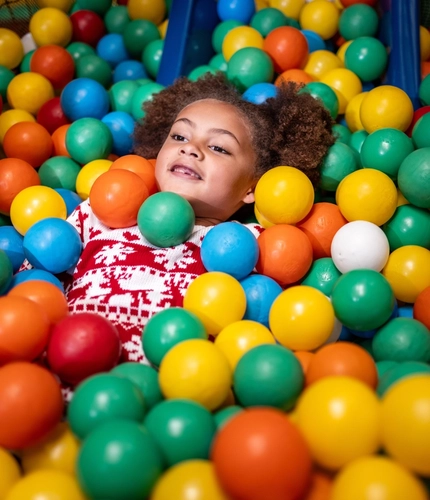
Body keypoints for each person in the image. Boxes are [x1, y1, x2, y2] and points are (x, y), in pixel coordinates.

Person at [22, 73, 335, 365]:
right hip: (69, 371)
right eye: (179, 136)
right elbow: (33, 286)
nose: (191, 150)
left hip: (178, 389)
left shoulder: (255, 244)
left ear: (252, 187)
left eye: (218, 147)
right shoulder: (102, 213)